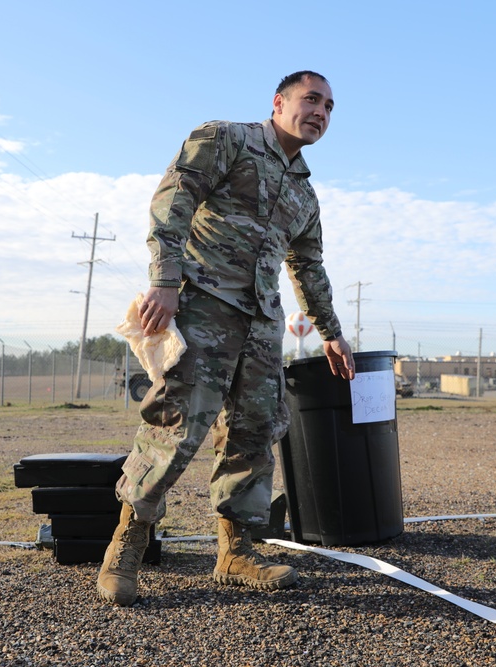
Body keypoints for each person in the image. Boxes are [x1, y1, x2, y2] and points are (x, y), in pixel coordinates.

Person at [98, 70, 356, 607]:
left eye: (330, 107)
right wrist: (165, 282)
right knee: (178, 424)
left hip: (263, 323)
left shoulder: (305, 193)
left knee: (255, 431)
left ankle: (236, 550)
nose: (321, 113)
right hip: (204, 304)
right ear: (279, 102)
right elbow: (173, 203)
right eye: (312, 100)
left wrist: (331, 333)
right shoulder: (225, 140)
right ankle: (127, 540)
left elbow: (308, 267)